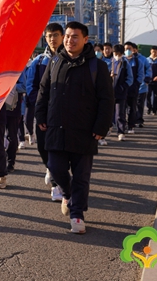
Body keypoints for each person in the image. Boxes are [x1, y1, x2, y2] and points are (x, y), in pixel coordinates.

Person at [35, 21, 115, 234]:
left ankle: (77, 214)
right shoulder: (54, 62)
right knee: (55, 167)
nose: (70, 40)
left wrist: (101, 126)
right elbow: (44, 91)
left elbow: (106, 100)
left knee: (81, 176)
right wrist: (40, 115)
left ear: (85, 40)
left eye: (75, 37)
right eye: (68, 36)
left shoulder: (97, 67)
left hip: (84, 131)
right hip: (56, 128)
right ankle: (68, 194)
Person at [25, 23, 65, 199]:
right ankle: (50, 168)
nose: (52, 39)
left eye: (56, 35)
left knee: (60, 149)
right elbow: (31, 87)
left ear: (62, 36)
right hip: (44, 112)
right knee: (43, 146)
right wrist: (41, 106)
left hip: (65, 114)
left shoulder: (69, 59)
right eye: (49, 36)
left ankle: (57, 185)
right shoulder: (39, 61)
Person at [111, 44, 133, 141]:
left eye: (118, 53)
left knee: (120, 113)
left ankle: (121, 132)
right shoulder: (109, 63)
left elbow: (130, 78)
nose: (116, 55)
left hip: (121, 92)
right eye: (115, 53)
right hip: (110, 92)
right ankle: (108, 128)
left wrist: (123, 87)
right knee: (108, 112)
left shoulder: (125, 63)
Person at [125, 42, 149, 128]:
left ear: (134, 50)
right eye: (126, 49)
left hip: (137, 87)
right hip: (123, 88)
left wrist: (139, 83)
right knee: (122, 107)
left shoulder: (140, 61)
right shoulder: (121, 61)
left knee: (135, 105)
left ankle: (137, 121)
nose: (128, 51)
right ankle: (123, 124)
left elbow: (143, 73)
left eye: (130, 49)